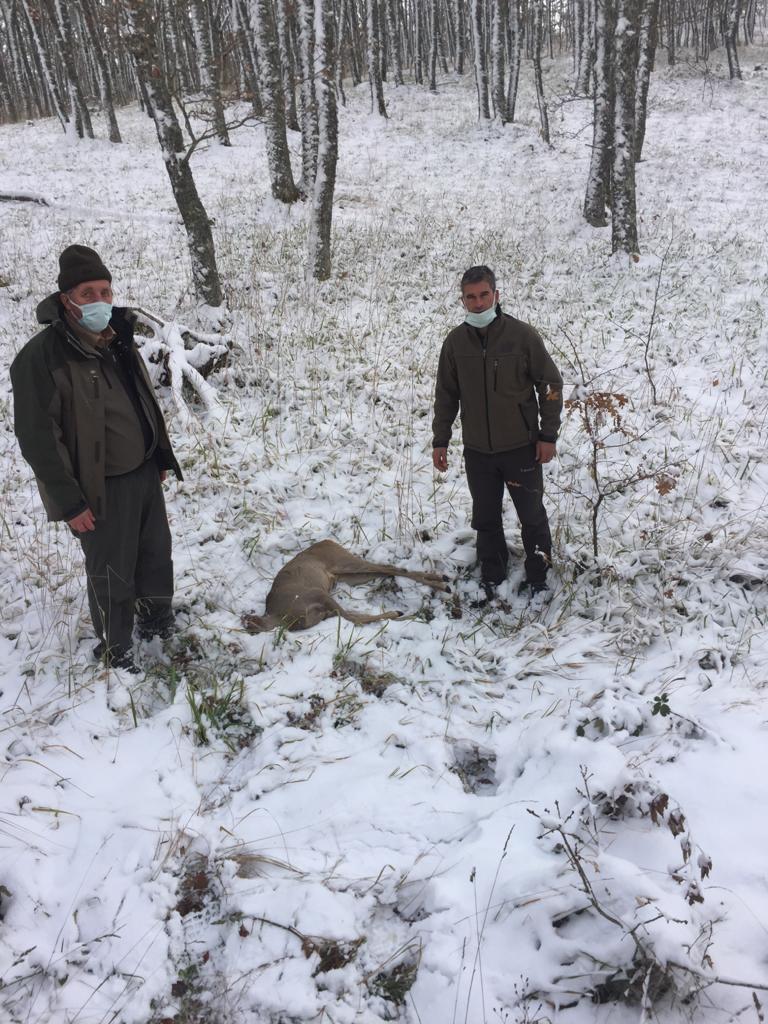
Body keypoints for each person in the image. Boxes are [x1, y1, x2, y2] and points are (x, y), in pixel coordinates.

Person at [11, 244, 182, 672]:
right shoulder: (42, 357)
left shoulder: (117, 336)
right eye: (87, 293)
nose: (100, 301)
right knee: (112, 572)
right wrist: (70, 502)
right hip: (99, 487)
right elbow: (38, 438)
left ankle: (157, 622)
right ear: (66, 298)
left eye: (105, 291)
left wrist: (158, 454)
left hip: (143, 472)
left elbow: (141, 399)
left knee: (155, 555)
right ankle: (117, 650)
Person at [432, 265, 563, 599]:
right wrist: (440, 440)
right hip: (478, 451)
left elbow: (550, 385)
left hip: (521, 448)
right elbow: (446, 395)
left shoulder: (522, 337)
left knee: (532, 516)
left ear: (496, 295)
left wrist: (548, 435)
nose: (478, 303)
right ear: (462, 300)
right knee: (485, 518)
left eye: (484, 295)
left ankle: (539, 576)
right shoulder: (455, 343)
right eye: (470, 297)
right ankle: (492, 575)